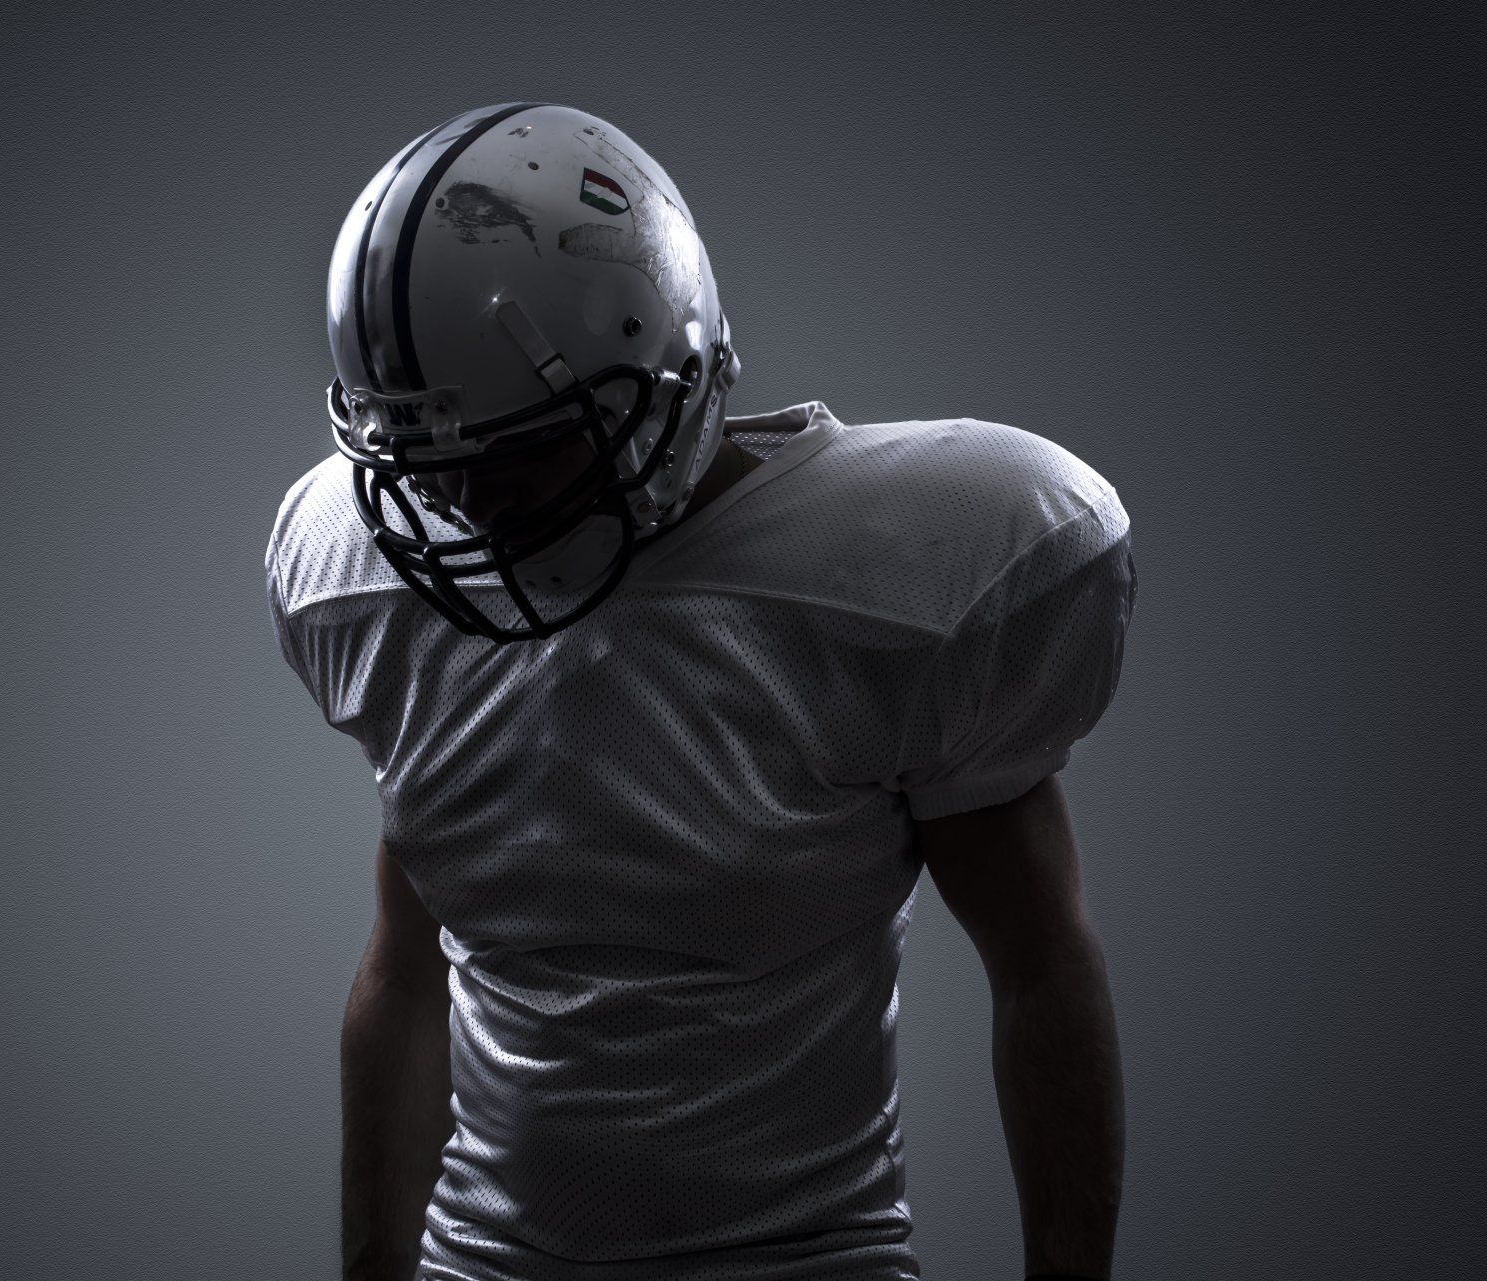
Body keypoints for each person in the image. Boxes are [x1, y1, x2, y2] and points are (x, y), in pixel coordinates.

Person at [265, 102, 1136, 1281]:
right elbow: (412, 964)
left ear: (663, 359)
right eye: (434, 469)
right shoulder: (374, 586)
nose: (468, 512)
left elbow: (1039, 964)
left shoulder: (899, 582)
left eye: (516, 454)